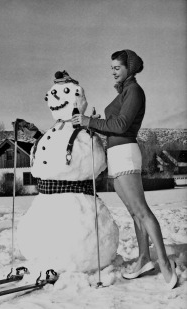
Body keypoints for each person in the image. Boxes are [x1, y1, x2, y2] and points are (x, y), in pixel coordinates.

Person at [71, 49, 178, 290]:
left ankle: (164, 264)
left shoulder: (135, 91)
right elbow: (112, 125)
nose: (113, 72)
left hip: (127, 154)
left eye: (117, 67)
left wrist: (89, 121)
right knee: (134, 213)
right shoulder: (126, 92)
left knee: (142, 211)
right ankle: (143, 259)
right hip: (116, 155)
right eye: (111, 68)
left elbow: (120, 125)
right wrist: (95, 122)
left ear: (129, 68)